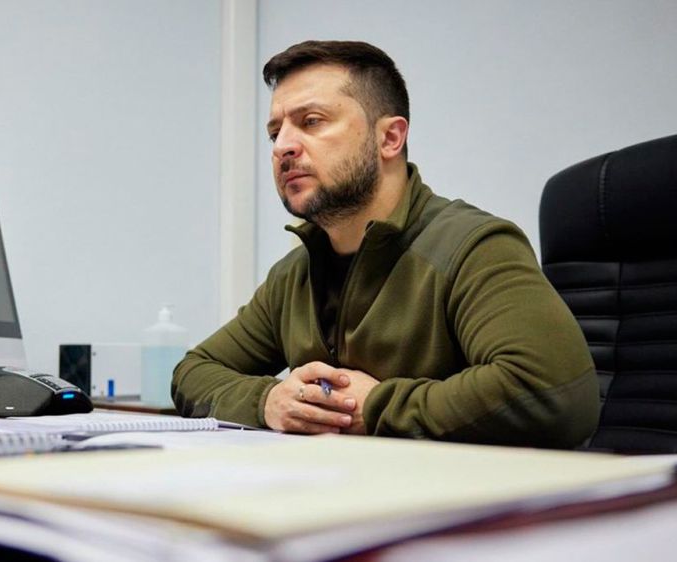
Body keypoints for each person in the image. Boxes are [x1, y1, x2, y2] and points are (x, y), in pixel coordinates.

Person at [172, 40, 599, 447]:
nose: (282, 146)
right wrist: (268, 401)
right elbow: (193, 372)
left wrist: (376, 407)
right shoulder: (295, 273)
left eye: (312, 121)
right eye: (274, 133)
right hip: (340, 486)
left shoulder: (473, 247)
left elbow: (553, 392)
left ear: (390, 138)